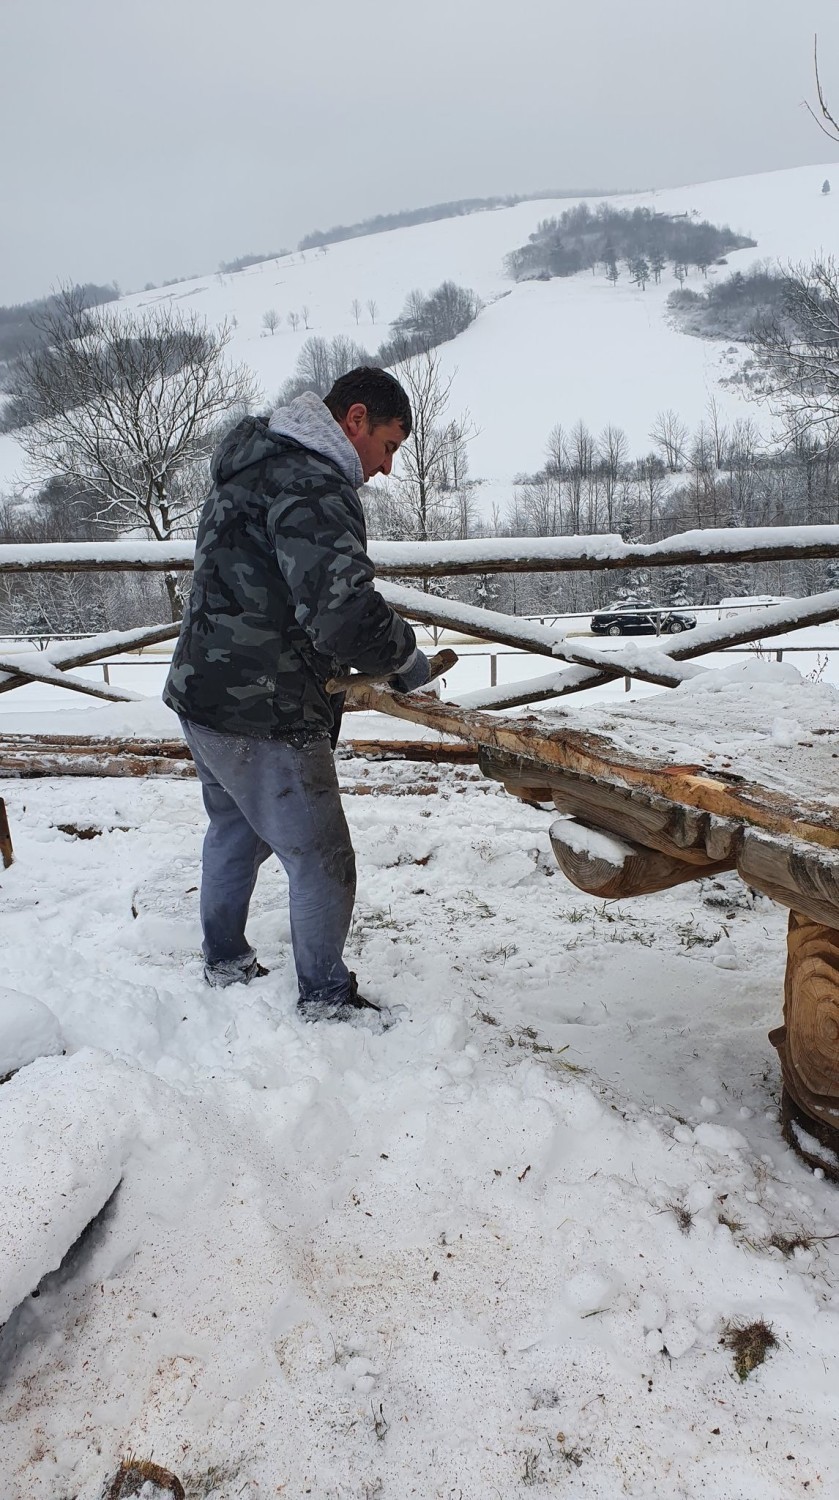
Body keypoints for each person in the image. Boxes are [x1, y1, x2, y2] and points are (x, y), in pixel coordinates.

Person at [163, 367, 430, 1023]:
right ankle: (326, 1000)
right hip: (266, 707)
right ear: (355, 419)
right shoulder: (312, 481)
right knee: (321, 857)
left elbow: (281, 591)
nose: (386, 468)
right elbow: (339, 612)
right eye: (390, 447)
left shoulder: (257, 464)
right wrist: (403, 655)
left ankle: (225, 961)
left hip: (205, 689)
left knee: (234, 828)